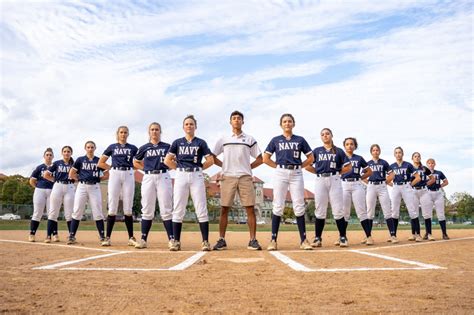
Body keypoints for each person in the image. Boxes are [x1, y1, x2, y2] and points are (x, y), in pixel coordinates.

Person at [212, 111, 263, 251]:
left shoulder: (249, 139)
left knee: (250, 208)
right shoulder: (223, 139)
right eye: (234, 118)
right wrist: (223, 166)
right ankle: (221, 240)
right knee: (224, 208)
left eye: (239, 118)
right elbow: (212, 156)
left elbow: (260, 158)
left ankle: (252, 240)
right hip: (228, 176)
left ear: (242, 121)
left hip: (245, 177)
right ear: (230, 122)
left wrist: (249, 167)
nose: (236, 120)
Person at [263, 113, 314, 251]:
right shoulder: (276, 140)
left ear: (293, 124)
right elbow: (265, 158)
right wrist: (278, 167)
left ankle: (304, 240)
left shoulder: (300, 140)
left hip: (296, 173)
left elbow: (311, 157)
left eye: (290, 121)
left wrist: (301, 166)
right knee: (277, 205)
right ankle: (273, 240)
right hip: (280, 172)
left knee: (299, 205)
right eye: (284, 121)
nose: (287, 123)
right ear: (281, 124)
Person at [164, 115, 214, 251]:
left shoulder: (201, 143)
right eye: (186, 124)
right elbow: (167, 160)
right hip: (181, 174)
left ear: (195, 126)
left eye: (191, 124)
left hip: (196, 174)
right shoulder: (177, 142)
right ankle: (176, 241)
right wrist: (179, 168)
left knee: (201, 207)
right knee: (178, 208)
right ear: (183, 127)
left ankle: (205, 241)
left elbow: (210, 160)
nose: (189, 126)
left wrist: (200, 168)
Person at [305, 128, 351, 247]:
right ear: (321, 137)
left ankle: (342, 237)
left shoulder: (339, 151)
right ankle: (317, 238)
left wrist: (336, 172)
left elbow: (348, 167)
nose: (325, 136)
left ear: (331, 135)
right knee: (320, 209)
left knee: (338, 209)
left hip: (334, 179)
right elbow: (307, 166)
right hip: (320, 179)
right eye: (323, 134)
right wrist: (319, 171)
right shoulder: (317, 151)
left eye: (327, 134)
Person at [133, 122, 173, 249]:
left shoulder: (167, 146)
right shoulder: (144, 147)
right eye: (152, 129)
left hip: (163, 175)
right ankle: (143, 239)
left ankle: (172, 240)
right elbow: (136, 162)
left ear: (160, 131)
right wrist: (145, 169)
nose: (154, 131)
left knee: (166, 208)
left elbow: (174, 161)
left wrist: (167, 169)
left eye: (157, 129)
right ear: (149, 132)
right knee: (147, 209)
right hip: (149, 176)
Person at [98, 126, 138, 247]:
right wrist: (111, 168)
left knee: (128, 207)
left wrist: (131, 169)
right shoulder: (112, 147)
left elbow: (139, 162)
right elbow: (100, 162)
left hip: (128, 174)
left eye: (125, 132)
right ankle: (107, 237)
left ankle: (131, 237)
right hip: (115, 173)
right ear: (117, 134)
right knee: (112, 205)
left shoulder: (133, 148)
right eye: (121, 132)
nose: (123, 134)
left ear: (128, 134)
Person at [67, 141, 109, 245]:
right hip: (82, 186)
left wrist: (99, 179)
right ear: (85, 148)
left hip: (94, 186)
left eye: (92, 147)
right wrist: (80, 178)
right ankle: (71, 236)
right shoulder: (80, 160)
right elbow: (71, 173)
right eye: (88, 147)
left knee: (98, 212)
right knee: (77, 210)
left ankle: (102, 237)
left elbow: (107, 173)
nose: (90, 149)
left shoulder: (98, 160)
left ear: (95, 148)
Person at [341, 138, 373, 246]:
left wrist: (361, 177)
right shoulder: (340, 157)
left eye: (352, 144)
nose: (349, 146)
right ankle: (343, 237)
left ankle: (368, 236)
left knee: (361, 211)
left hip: (356, 184)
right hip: (344, 184)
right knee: (344, 213)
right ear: (344, 146)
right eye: (347, 144)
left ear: (355, 146)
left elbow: (369, 171)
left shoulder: (359, 158)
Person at [388, 147, 421, 243]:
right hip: (396, 187)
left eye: (400, 152)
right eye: (396, 153)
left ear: (402, 154)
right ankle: (393, 235)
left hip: (406, 186)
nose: (398, 154)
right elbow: (388, 179)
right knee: (394, 211)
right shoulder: (392, 166)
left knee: (412, 210)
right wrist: (393, 185)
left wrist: (409, 185)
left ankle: (417, 234)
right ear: (394, 155)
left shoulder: (408, 165)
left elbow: (418, 177)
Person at [43, 146, 75, 243]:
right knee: (53, 212)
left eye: (68, 151)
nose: (66, 153)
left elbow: (78, 175)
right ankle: (48, 236)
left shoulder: (74, 164)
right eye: (64, 151)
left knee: (69, 214)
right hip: (58, 186)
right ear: (62, 153)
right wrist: (54, 180)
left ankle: (71, 237)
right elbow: (46, 174)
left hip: (70, 187)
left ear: (71, 153)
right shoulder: (57, 163)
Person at [364, 144, 393, 243]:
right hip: (371, 186)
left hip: (382, 186)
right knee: (369, 212)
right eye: (373, 150)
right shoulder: (368, 163)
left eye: (377, 150)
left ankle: (393, 235)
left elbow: (392, 174)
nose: (375, 152)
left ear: (379, 151)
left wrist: (386, 182)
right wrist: (369, 183)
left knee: (387, 210)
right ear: (371, 152)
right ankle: (368, 236)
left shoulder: (384, 162)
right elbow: (362, 176)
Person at [28, 148, 54, 242]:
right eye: (47, 155)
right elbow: (31, 180)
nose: (49, 156)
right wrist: (38, 187)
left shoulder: (55, 167)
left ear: (53, 156)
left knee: (52, 213)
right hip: (40, 190)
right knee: (37, 213)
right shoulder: (39, 167)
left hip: (52, 191)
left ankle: (52, 235)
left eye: (50, 155)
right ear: (44, 156)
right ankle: (32, 234)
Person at [411, 152, 436, 240]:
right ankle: (415, 234)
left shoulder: (424, 168)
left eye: (418, 156)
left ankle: (429, 234)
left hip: (424, 191)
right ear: (412, 158)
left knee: (427, 213)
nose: (417, 158)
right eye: (415, 156)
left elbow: (433, 179)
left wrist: (426, 184)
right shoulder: (409, 168)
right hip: (413, 191)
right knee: (414, 213)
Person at [426, 158, 450, 239]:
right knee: (428, 214)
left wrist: (440, 186)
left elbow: (446, 182)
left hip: (438, 193)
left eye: (432, 163)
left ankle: (444, 234)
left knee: (441, 214)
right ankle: (428, 233)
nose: (431, 164)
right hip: (428, 193)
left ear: (435, 164)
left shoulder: (439, 173)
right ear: (427, 165)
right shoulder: (424, 173)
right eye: (429, 163)